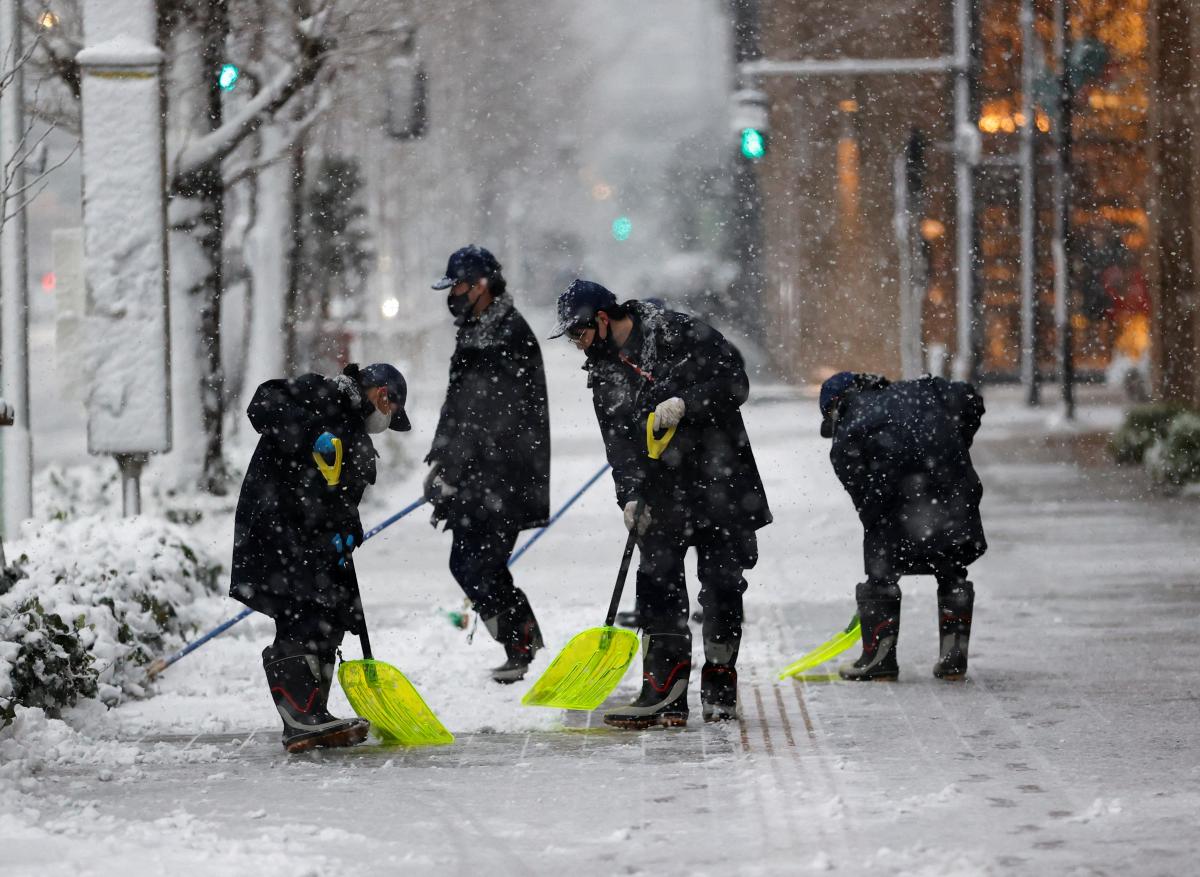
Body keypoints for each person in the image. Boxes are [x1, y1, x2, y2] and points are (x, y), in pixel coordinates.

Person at [551, 280, 771, 727]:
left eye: (580, 333)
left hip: (720, 477)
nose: (578, 344)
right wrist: (629, 496)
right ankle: (664, 691)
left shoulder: (677, 332)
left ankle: (720, 683)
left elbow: (736, 383)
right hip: (661, 491)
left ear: (602, 318)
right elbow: (618, 443)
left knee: (722, 584)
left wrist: (686, 403)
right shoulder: (603, 372)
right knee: (657, 584)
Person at [230, 362, 411, 753]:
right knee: (298, 613)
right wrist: (312, 433)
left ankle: (316, 712)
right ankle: (299, 717)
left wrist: (350, 526)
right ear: (383, 395)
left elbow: (341, 494)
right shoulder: (320, 393)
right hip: (279, 528)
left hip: (315, 538)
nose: (386, 421)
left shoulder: (357, 433)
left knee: (333, 614)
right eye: (391, 413)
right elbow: (262, 404)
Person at [426, 245, 551, 683]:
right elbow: (458, 404)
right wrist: (441, 460)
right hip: (479, 475)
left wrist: (456, 471)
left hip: (504, 476)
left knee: (478, 564)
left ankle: (520, 645)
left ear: (480, 285)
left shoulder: (506, 336)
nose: (452, 295)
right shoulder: (478, 329)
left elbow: (490, 415)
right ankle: (520, 640)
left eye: (458, 285)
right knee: (469, 564)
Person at [818, 372, 986, 681]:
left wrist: (879, 530)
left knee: (880, 577)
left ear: (835, 407)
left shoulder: (849, 427)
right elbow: (970, 398)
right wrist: (955, 442)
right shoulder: (924, 389)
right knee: (952, 570)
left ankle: (879, 659)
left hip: (894, 495)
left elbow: (862, 497)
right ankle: (953, 657)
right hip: (952, 487)